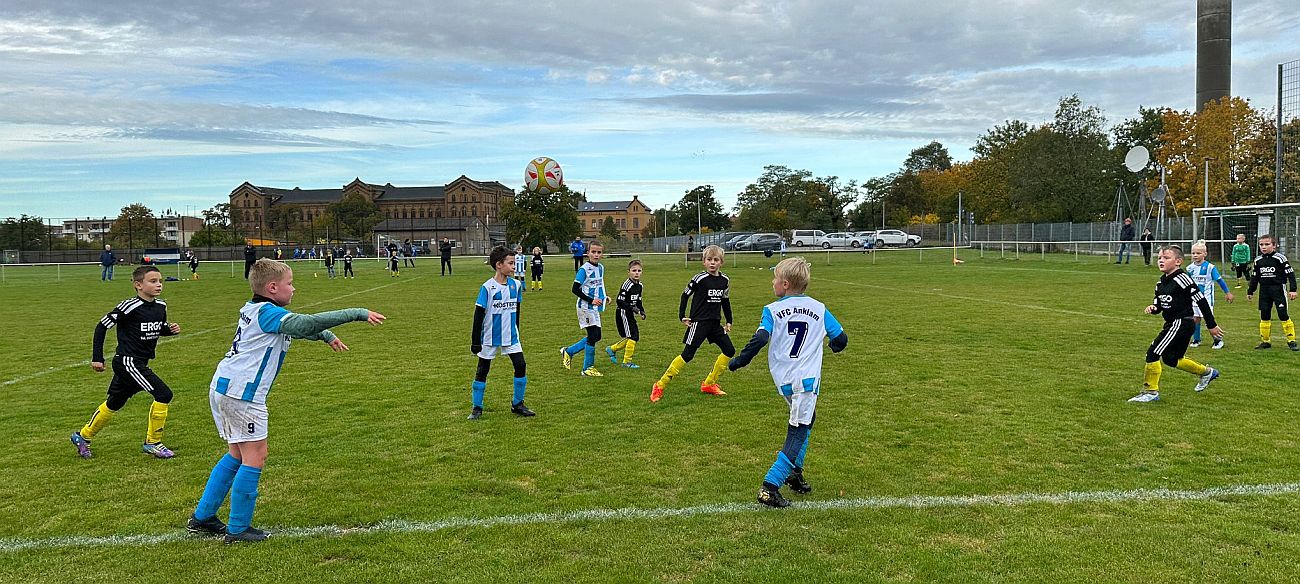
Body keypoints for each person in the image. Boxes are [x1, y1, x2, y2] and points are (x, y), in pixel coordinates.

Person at [186, 258, 385, 543]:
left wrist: (326, 336)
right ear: (272, 288)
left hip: (224, 387)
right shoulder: (267, 313)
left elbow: (299, 327)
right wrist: (357, 312)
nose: (294, 289)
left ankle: (203, 517)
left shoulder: (256, 308)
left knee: (237, 454)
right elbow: (305, 323)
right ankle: (238, 529)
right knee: (256, 456)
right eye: (290, 284)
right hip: (243, 394)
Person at [728, 257, 848, 507]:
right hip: (806, 382)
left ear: (784, 284)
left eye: (774, 279)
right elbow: (841, 339)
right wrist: (834, 346)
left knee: (807, 420)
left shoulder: (772, 310)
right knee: (798, 430)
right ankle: (770, 486)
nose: (772, 283)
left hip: (784, 380)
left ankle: (795, 473)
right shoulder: (819, 308)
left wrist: (740, 360)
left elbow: (760, 339)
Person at [70, 265, 182, 459]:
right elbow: (101, 327)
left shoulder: (160, 306)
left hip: (139, 362)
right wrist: (97, 357)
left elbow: (155, 328)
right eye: (153, 281)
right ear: (138, 285)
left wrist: (168, 330)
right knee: (164, 394)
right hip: (128, 362)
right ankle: (153, 442)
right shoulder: (129, 306)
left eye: (160, 281)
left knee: (115, 402)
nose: (159, 285)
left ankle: (82, 436)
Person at [1129, 245, 1222, 403]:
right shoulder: (1161, 283)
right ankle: (1207, 373)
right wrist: (1154, 308)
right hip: (1174, 323)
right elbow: (1159, 305)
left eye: (1166, 258)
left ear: (1178, 261)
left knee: (1152, 353)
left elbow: (1201, 301)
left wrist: (1211, 325)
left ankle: (1150, 392)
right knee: (1172, 359)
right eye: (1159, 258)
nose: (1161, 261)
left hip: (1181, 323)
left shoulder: (1182, 278)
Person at [650, 245, 734, 403]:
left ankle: (709, 383)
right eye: (709, 260)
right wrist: (682, 316)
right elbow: (684, 295)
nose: (712, 263)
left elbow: (725, 301)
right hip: (699, 323)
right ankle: (660, 385)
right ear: (704, 262)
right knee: (687, 355)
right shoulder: (699, 278)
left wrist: (729, 321)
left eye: (716, 260)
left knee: (729, 350)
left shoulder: (725, 281)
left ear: (721, 262)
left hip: (715, 324)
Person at [467, 246, 535, 420]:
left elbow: (517, 311)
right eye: (510, 263)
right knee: (483, 369)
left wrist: (517, 330)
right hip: (489, 337)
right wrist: (476, 341)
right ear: (499, 265)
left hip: (511, 336)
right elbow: (478, 316)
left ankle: (518, 404)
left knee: (520, 365)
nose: (514, 267)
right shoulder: (487, 288)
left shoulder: (517, 285)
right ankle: (477, 407)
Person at [560, 241, 607, 377]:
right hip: (585, 307)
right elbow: (575, 289)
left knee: (597, 336)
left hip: (594, 307)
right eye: (593, 252)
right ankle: (587, 368)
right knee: (593, 336)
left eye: (599, 252)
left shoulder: (601, 268)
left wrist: (605, 297)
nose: (596, 255)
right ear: (588, 253)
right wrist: (591, 300)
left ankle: (569, 351)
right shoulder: (584, 269)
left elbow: (599, 285)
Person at [1246, 234, 1298, 350]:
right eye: (1261, 245)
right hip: (1264, 291)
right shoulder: (1258, 260)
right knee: (1264, 315)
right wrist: (1251, 291)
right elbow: (1254, 277)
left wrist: (1293, 290)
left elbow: (1291, 274)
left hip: (1278, 289)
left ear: (1274, 246)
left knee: (1283, 314)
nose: (1264, 247)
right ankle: (1265, 341)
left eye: (1267, 244)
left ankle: (1291, 341)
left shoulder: (1280, 258)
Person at [1186, 240, 1233, 349]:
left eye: (1198, 253)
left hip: (1206, 300)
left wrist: (1227, 292)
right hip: (1194, 300)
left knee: (1209, 320)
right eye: (1193, 253)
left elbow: (1220, 280)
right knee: (1195, 319)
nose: (1195, 255)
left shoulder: (1210, 268)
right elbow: (1187, 283)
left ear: (1205, 254)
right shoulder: (1189, 268)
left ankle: (1218, 341)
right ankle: (1196, 339)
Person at [606, 259, 646, 369]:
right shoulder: (627, 284)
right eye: (634, 270)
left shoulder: (640, 285)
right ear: (628, 272)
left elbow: (638, 300)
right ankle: (626, 362)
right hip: (623, 312)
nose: (636, 273)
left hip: (629, 313)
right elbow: (620, 301)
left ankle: (612, 349)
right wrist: (633, 309)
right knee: (633, 336)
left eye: (639, 270)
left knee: (633, 336)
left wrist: (641, 311)